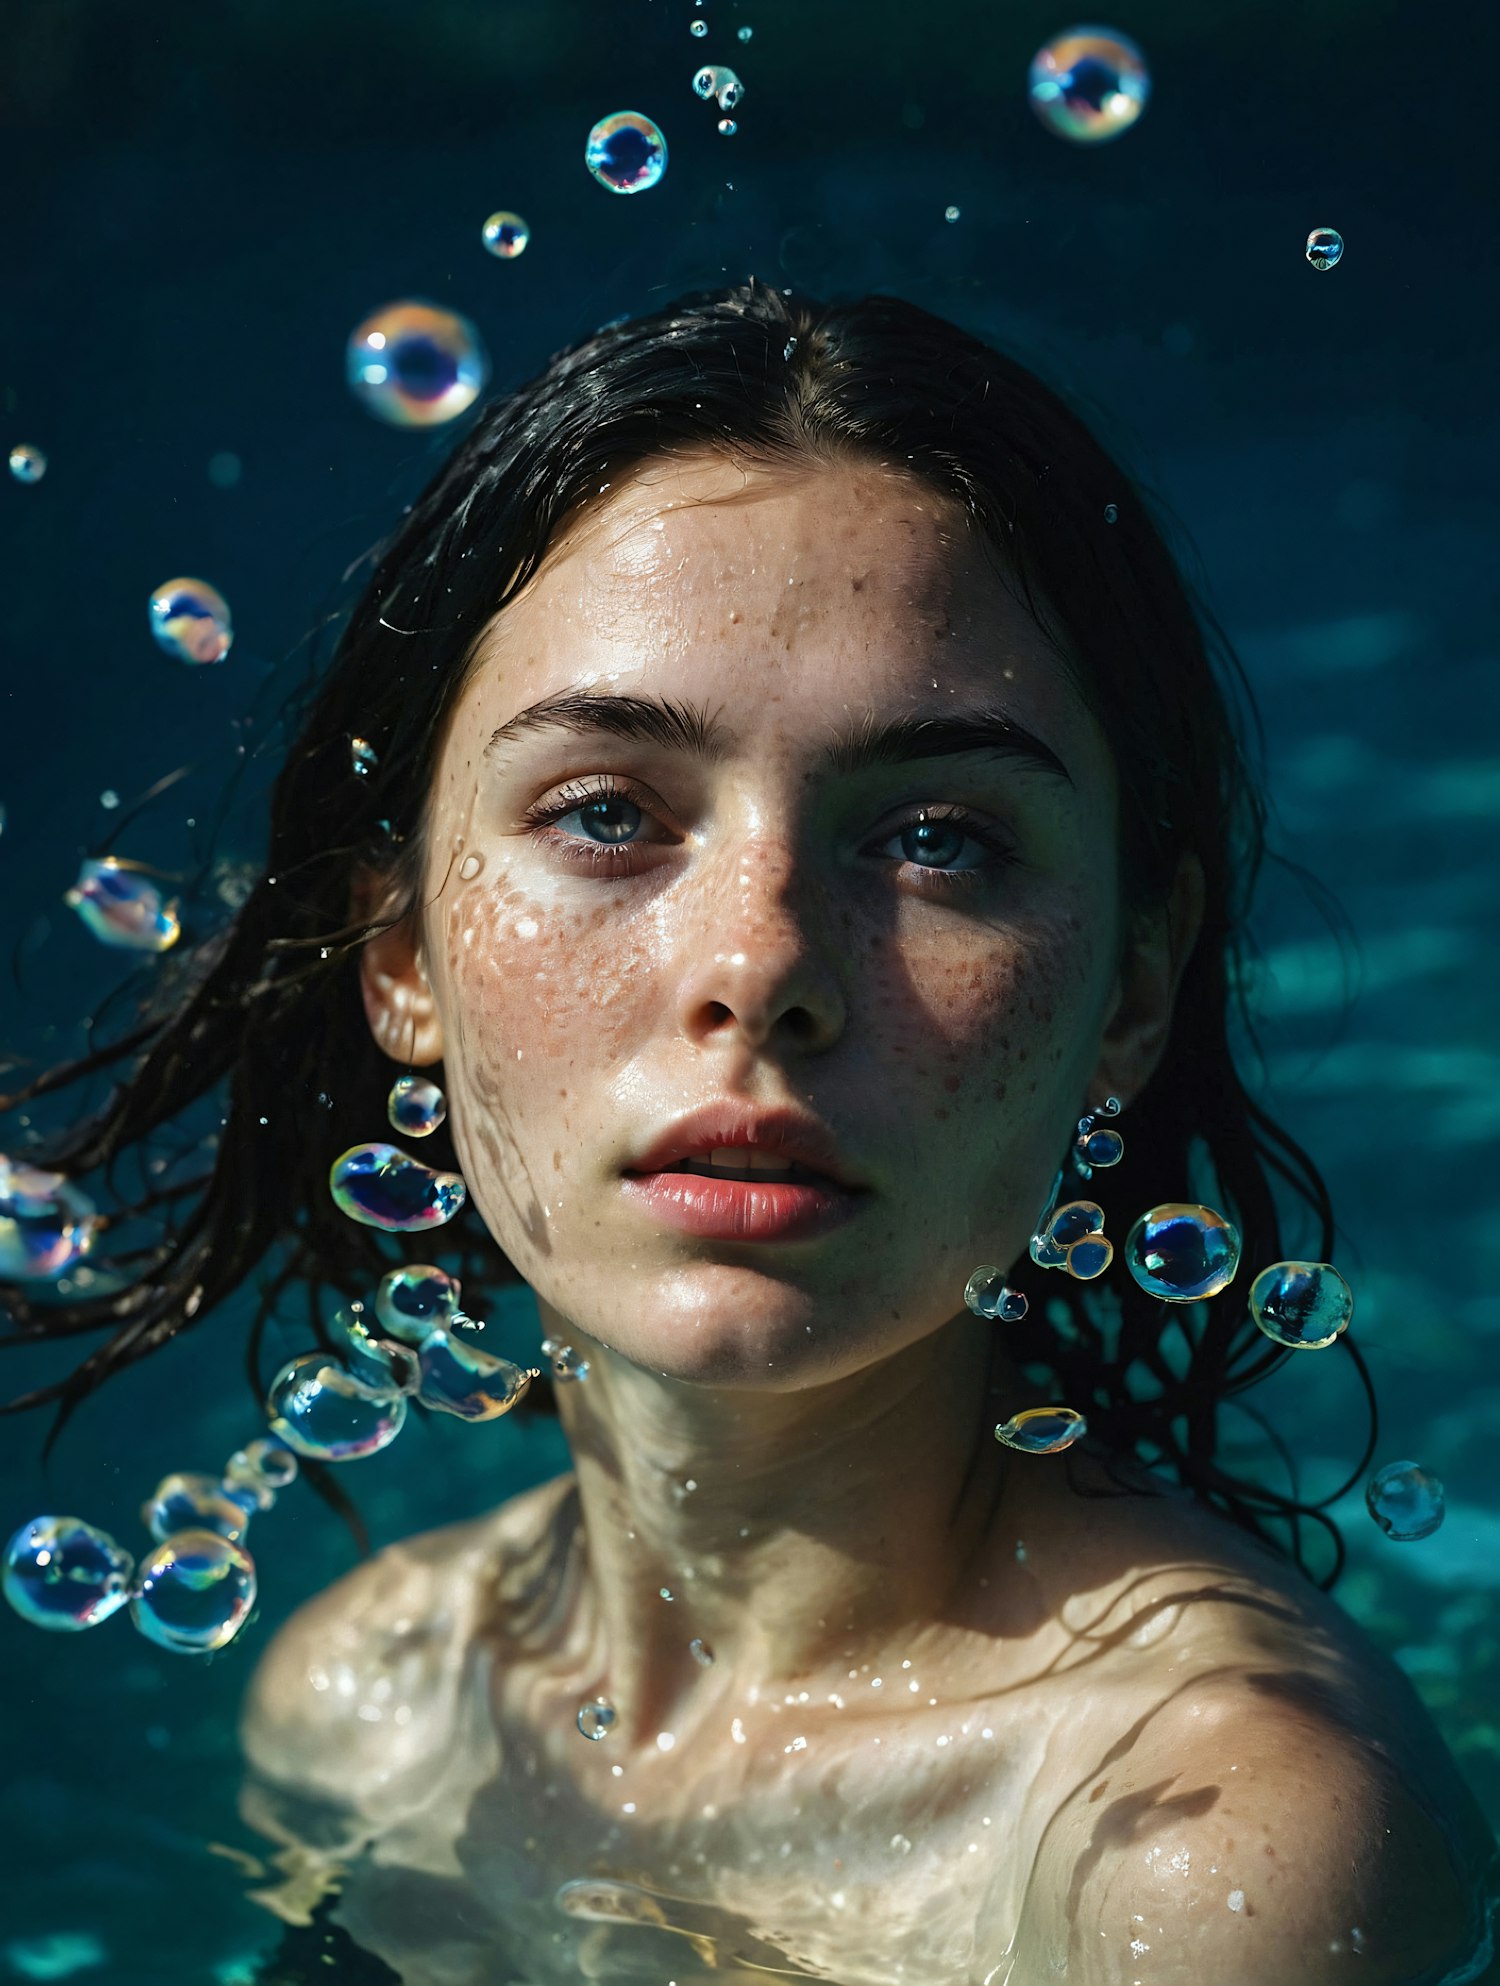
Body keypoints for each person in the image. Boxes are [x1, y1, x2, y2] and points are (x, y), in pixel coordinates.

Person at [3, 280, 1494, 1984]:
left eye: (936, 838)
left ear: (1134, 987)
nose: (762, 963)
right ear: (402, 957)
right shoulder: (365, 1698)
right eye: (607, 814)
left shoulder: (1207, 1856)